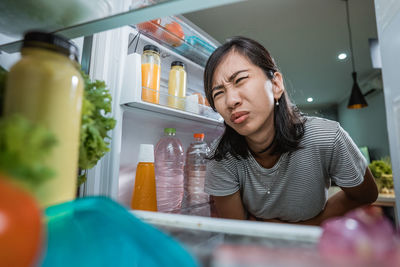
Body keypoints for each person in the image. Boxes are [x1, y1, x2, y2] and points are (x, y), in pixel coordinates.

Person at [203, 36, 378, 225]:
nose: (231, 101)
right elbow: (237, 230)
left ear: (276, 84)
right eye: (218, 93)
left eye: (240, 80)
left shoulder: (326, 137)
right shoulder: (221, 157)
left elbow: (365, 194)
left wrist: (296, 229)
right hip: (257, 252)